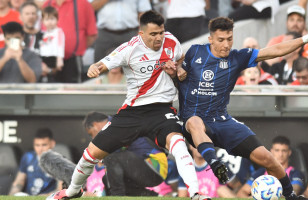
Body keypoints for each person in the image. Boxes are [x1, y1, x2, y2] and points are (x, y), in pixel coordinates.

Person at [46, 10, 210, 200]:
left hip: (162, 110)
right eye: (153, 34)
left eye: (161, 32)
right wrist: (94, 67)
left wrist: (179, 69)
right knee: (91, 154)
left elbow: (180, 58)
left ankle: (196, 194)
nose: (159, 38)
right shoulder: (130, 48)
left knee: (179, 145)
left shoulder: (172, 41)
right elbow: (104, 64)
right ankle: (72, 192)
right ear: (141, 34)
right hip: (132, 112)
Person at [175, 16, 308, 200]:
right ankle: (215, 163)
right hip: (193, 121)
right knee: (195, 121)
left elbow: (275, 50)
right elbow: (174, 64)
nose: (226, 44)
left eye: (230, 39)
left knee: (267, 158)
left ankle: (290, 195)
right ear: (211, 39)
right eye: (221, 40)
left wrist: (307, 38)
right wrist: (178, 69)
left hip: (221, 120)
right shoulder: (194, 52)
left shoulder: (238, 57)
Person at [82, 111, 167, 196]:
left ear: (95, 125)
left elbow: (110, 153)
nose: (93, 138)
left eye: (90, 134)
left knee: (111, 158)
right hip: (148, 168)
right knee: (108, 178)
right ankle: (153, 196)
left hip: (155, 166)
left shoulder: (116, 125)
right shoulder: (116, 125)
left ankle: (117, 197)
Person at [43, 0, 97, 83]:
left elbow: (91, 34)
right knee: (50, 91)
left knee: (73, 91)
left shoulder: (83, 4)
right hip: (49, 61)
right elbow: (43, 32)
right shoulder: (47, 4)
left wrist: (76, 47)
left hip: (73, 60)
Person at [237, 136, 305, 197]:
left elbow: (293, 192)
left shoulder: (295, 173)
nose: (280, 154)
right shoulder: (261, 172)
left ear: (289, 152)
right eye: (277, 150)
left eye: (284, 151)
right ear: (271, 151)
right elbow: (241, 192)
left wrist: (265, 196)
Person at [9, 128, 62, 196]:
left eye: (44, 145)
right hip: (29, 197)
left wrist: (43, 196)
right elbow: (19, 182)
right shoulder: (28, 157)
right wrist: (11, 195)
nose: (40, 149)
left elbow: (60, 190)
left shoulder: (59, 161)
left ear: (52, 144)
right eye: (37, 145)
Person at [39, 6, 65, 83]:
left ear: (57, 19)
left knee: (53, 79)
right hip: (44, 58)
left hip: (54, 59)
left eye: (52, 19)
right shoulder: (43, 34)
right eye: (47, 19)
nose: (50, 22)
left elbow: (60, 45)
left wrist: (59, 59)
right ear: (43, 21)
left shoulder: (59, 32)